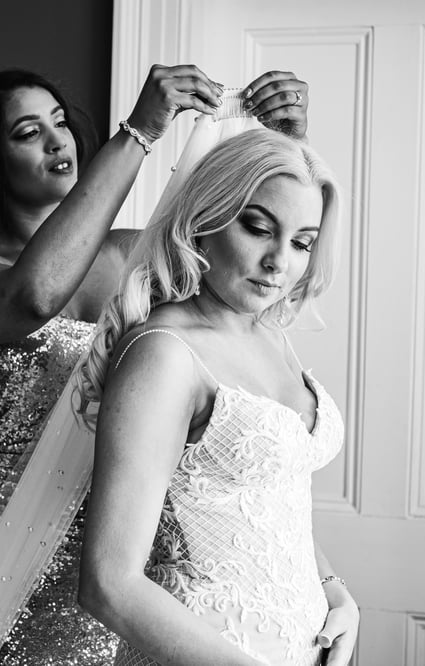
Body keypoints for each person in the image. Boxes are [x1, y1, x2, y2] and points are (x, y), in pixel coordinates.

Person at [0, 66, 312, 664]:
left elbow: (250, 290)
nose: (58, 141)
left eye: (60, 122)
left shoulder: (134, 256)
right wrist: (140, 133)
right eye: (28, 132)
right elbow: (34, 296)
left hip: (124, 537)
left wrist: (289, 146)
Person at [75, 128, 359, 665]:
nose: (280, 261)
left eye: (302, 242)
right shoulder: (164, 354)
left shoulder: (271, 332)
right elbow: (109, 583)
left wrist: (336, 592)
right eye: (258, 228)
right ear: (206, 221)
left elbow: (268, 503)